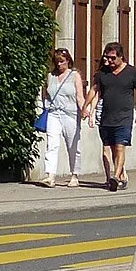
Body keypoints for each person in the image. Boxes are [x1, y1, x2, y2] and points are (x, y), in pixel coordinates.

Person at [86, 40, 136, 191]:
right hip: (106, 116)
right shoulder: (102, 74)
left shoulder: (132, 72)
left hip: (124, 116)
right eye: (107, 58)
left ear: (121, 57)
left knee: (120, 147)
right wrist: (85, 106)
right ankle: (120, 175)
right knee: (111, 148)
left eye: (112, 58)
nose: (109, 61)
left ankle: (116, 177)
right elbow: (94, 90)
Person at [36, 47, 83, 187]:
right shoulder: (50, 76)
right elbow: (45, 94)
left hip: (70, 114)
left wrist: (85, 110)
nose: (59, 64)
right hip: (53, 113)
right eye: (57, 61)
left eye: (62, 61)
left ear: (68, 61)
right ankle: (50, 176)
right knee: (52, 144)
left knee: (72, 145)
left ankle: (74, 175)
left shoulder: (74, 75)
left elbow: (79, 96)